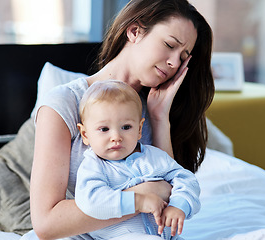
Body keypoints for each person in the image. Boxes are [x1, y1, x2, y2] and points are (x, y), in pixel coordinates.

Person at [30, 0, 214, 239]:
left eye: (183, 57)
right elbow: (46, 223)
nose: (173, 63)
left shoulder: (155, 109)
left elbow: (168, 190)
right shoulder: (64, 103)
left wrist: (159, 118)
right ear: (134, 31)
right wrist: (141, 197)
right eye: (169, 45)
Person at [75, 80, 200, 240]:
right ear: (85, 134)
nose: (116, 137)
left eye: (126, 127)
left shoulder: (153, 157)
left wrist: (178, 205)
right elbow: (92, 201)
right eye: (104, 129)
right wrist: (138, 201)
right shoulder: (93, 166)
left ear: (139, 129)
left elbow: (186, 179)